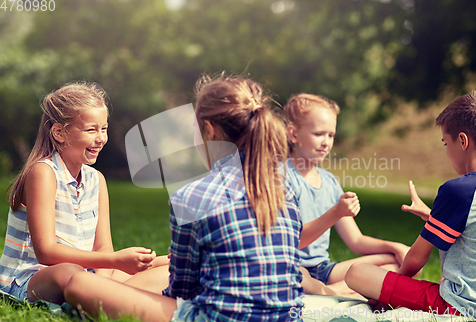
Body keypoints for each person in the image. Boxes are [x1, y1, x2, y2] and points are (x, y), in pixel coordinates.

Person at [64, 74, 304, 321]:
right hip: (288, 317)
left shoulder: (192, 196)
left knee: (79, 284)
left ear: (208, 131)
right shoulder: (285, 190)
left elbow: (182, 290)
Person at [0, 81, 169, 305]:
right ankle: (113, 297)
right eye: (91, 129)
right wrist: (115, 261)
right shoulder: (43, 172)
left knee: (170, 265)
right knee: (68, 272)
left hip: (85, 274)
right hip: (30, 279)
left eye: (104, 128)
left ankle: (103, 297)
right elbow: (46, 253)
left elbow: (103, 247)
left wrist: (113, 266)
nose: (101, 138)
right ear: (59, 132)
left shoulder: (96, 179)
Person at [345, 87, 476, 318]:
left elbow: (417, 258)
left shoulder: (458, 190)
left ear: (463, 141)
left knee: (356, 272)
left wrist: (389, 290)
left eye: (446, 143)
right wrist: (432, 217)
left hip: (460, 306)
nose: (447, 151)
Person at [283, 93, 410, 297]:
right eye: (318, 134)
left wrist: (394, 247)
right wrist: (336, 212)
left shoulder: (330, 182)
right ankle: (340, 291)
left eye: (331, 135)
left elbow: (356, 240)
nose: (326, 142)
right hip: (293, 267)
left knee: (395, 263)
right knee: (295, 275)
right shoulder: (281, 178)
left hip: (323, 270)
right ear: (293, 134)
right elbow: (292, 241)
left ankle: (328, 291)